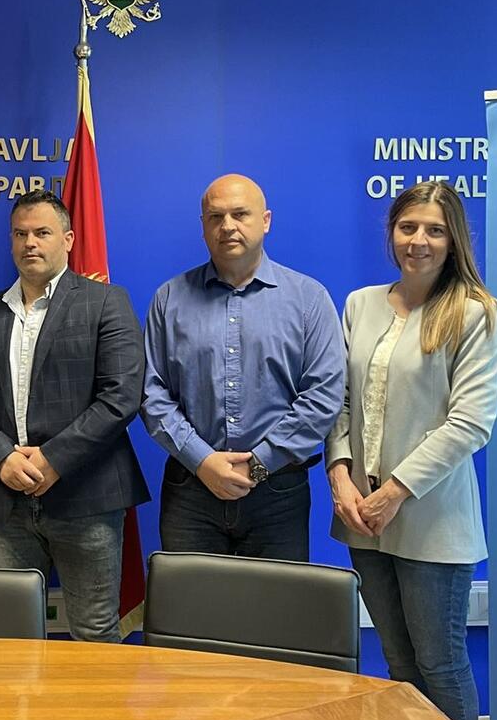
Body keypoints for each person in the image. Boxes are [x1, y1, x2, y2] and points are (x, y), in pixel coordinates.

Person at [326, 180, 497, 720]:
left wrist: (395, 492)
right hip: (363, 517)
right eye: (408, 227)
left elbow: (470, 423)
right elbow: (339, 400)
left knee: (440, 665)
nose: (418, 241)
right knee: (399, 664)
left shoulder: (475, 314)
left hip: (432, 520)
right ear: (391, 233)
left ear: (454, 240)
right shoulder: (359, 304)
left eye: (434, 230)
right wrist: (339, 475)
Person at [0, 189, 148, 643]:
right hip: (4, 498)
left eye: (42, 232)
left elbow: (121, 396)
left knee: (94, 632)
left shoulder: (105, 301)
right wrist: (2, 457)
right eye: (20, 234)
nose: (30, 243)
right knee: (11, 637)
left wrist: (53, 459)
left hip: (87, 497)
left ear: (68, 239)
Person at [140, 173, 344, 561]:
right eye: (215, 217)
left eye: (240, 214)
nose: (228, 226)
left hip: (277, 493)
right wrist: (202, 461)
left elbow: (323, 395)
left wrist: (260, 464)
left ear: (265, 221)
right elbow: (152, 393)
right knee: (189, 600)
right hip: (191, 490)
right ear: (203, 226)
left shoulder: (308, 299)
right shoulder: (169, 299)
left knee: (275, 600)